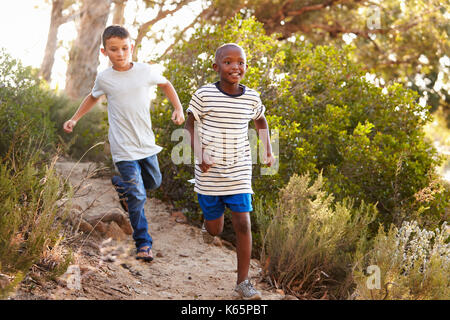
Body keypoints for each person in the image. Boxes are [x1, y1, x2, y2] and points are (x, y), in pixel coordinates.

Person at [63, 25, 185, 262]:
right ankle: (143, 243)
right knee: (138, 196)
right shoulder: (105, 78)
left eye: (124, 48)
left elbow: (166, 85)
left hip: (146, 145)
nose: (120, 53)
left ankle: (120, 185)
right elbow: (92, 97)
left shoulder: (145, 71)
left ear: (132, 47)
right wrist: (74, 118)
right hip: (123, 148)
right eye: (114, 49)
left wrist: (178, 108)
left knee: (154, 182)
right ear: (104, 51)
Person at [184, 43, 275, 300]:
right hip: (209, 172)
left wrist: (267, 149)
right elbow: (189, 127)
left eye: (241, 62)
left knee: (243, 223)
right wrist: (200, 154)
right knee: (215, 230)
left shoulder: (252, 97)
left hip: (239, 170)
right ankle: (208, 226)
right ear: (216, 67)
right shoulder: (204, 95)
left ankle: (243, 282)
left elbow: (260, 120)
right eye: (228, 62)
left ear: (246, 66)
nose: (235, 66)